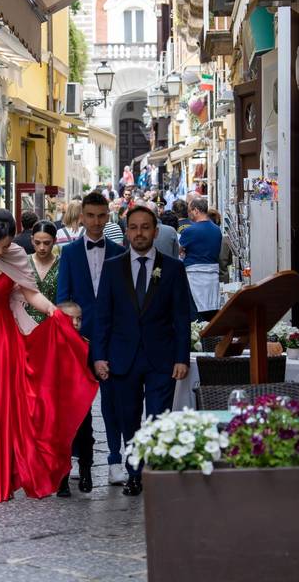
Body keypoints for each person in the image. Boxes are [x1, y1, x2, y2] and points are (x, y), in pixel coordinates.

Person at [0, 209, 97, 503]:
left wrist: (53, 311)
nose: (1, 251)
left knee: (2, 408)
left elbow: (30, 294)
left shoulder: (15, 254)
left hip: (3, 338)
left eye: (6, 245)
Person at [92, 206, 192, 496]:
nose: (139, 233)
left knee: (158, 416)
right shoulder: (112, 267)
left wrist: (181, 357)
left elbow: (181, 317)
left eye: (145, 227)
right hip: (123, 357)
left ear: (155, 231)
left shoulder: (173, 268)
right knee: (129, 417)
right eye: (133, 227)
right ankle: (134, 472)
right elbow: (103, 316)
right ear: (126, 232)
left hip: (162, 357)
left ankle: (154, 470)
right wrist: (99, 355)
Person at [57, 192, 127, 488]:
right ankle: (75, 456)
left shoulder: (119, 251)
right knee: (77, 401)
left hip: (111, 337)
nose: (96, 222)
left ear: (108, 217)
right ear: (81, 217)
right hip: (80, 337)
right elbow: (63, 297)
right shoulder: (70, 253)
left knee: (113, 402)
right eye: (91, 216)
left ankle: (114, 459)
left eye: (101, 216)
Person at [180, 198, 223, 321]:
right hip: (213, 275)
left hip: (194, 275)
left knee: (195, 313)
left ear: (196, 210)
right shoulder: (217, 230)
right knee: (211, 310)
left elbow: (179, 250)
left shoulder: (189, 231)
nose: (189, 214)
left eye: (190, 211)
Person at [26, 221, 60, 324]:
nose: (41, 247)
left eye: (46, 243)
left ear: (54, 241)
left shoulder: (62, 264)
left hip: (53, 324)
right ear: (32, 240)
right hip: (26, 325)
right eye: (37, 242)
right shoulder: (24, 262)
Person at [208, 208, 234, 284]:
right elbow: (229, 262)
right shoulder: (225, 241)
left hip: (209, 280)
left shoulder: (204, 240)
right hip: (224, 280)